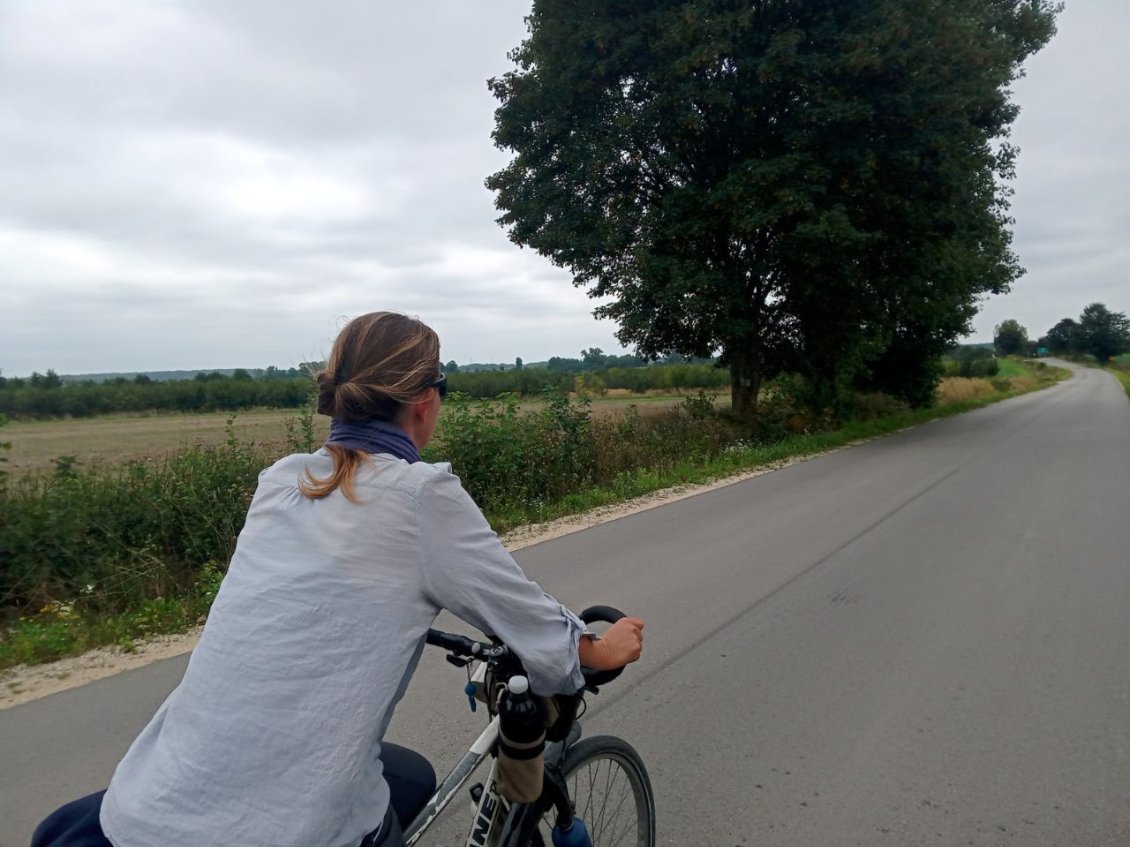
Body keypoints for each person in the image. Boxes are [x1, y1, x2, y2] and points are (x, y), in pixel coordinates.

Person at [31, 311, 644, 847]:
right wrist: (600, 647)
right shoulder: (421, 494)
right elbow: (544, 639)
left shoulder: (281, 480)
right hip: (290, 831)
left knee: (409, 778)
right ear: (426, 399)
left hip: (143, 807)